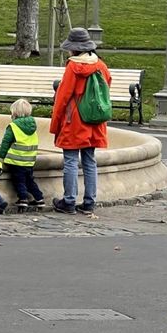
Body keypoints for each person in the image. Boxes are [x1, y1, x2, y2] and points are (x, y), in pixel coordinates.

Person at [50, 27, 112, 215]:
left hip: (74, 120)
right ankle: (89, 202)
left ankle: (69, 201)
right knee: (89, 160)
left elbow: (62, 97)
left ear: (74, 48)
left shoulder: (73, 67)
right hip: (94, 121)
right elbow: (107, 85)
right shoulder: (100, 64)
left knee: (70, 160)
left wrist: (56, 123)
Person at [0, 99, 45, 212]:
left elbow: (6, 142)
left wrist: (1, 155)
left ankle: (23, 199)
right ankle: (39, 198)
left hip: (16, 160)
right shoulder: (32, 126)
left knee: (19, 180)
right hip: (29, 160)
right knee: (30, 180)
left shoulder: (13, 126)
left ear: (14, 112)